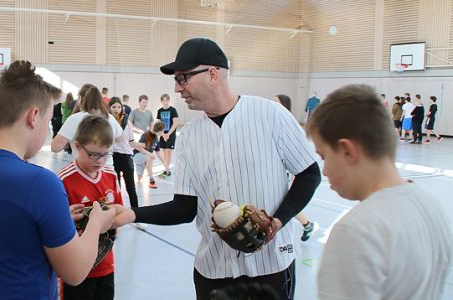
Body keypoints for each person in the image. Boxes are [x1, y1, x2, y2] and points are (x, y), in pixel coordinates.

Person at [113, 38, 321, 300]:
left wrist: (278, 221)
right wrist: (132, 214)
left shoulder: (271, 115)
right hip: (213, 273)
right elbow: (185, 207)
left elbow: (309, 174)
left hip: (270, 269)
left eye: (183, 78)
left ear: (212, 74)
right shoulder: (190, 137)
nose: (177, 88)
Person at [0, 61, 115, 299]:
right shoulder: (41, 184)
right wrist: (96, 223)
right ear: (33, 117)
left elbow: (3, 232)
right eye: (48, 122)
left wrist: (57, 219)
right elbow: (75, 272)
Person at [308, 84, 452, 300]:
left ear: (347, 151)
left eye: (324, 157)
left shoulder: (356, 230)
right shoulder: (431, 205)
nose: (325, 171)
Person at [57, 115, 124, 300]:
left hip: (105, 266)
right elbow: (55, 228)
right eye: (93, 154)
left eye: (105, 154)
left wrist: (116, 224)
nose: (100, 161)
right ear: (77, 146)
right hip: (76, 270)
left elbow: (119, 211)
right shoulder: (63, 180)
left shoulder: (110, 175)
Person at [274, 94, 319, 242]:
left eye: (276, 101)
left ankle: (307, 224)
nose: (272, 103)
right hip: (276, 170)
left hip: (285, 171)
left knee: (285, 203)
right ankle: (307, 224)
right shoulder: (272, 121)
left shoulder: (289, 123)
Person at [51, 86, 123, 166]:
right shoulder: (109, 117)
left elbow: (55, 147)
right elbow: (121, 138)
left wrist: (69, 142)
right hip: (106, 168)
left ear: (81, 99)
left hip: (82, 169)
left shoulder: (74, 119)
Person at [109, 97, 141, 208]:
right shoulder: (107, 122)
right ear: (109, 108)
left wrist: (145, 149)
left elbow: (131, 142)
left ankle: (136, 214)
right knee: (115, 189)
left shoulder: (127, 122)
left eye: (119, 107)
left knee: (131, 188)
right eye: (114, 107)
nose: (116, 109)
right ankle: (117, 212)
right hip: (113, 157)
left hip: (126, 157)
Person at [134, 121, 165, 189]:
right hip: (138, 155)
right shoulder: (147, 134)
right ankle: (151, 179)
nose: (163, 133)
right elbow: (138, 147)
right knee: (149, 157)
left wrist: (164, 162)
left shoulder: (156, 138)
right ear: (159, 131)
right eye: (163, 131)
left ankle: (141, 172)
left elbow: (158, 151)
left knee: (139, 178)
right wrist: (149, 154)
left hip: (145, 158)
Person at [156, 93, 179, 178]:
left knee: (168, 152)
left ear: (169, 101)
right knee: (164, 152)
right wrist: (163, 134)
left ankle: (167, 170)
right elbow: (158, 124)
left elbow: (176, 123)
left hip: (170, 134)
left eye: (167, 100)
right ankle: (167, 169)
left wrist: (168, 134)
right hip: (163, 134)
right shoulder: (159, 111)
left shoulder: (173, 110)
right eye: (164, 100)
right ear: (161, 101)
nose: (165, 102)